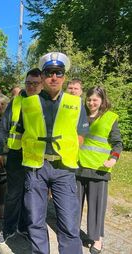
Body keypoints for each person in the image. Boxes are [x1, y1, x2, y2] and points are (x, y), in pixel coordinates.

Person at [19, 52, 89, 254]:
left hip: (63, 169)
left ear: (64, 76)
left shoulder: (75, 103)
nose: (54, 77)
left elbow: (80, 136)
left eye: (59, 72)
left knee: (68, 222)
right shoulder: (28, 102)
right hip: (35, 168)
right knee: (35, 220)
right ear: (42, 76)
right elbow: (23, 132)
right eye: (49, 72)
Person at [0, 68, 43, 244]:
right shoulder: (15, 101)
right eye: (28, 82)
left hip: (37, 155)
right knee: (13, 194)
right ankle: (8, 229)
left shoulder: (44, 101)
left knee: (31, 195)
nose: (31, 86)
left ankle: (24, 227)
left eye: (35, 83)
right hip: (16, 154)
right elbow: (4, 128)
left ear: (41, 83)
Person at [76, 86, 122, 254]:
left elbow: (117, 143)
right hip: (79, 166)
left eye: (95, 100)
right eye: (89, 99)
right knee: (75, 205)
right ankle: (73, 234)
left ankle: (97, 239)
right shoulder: (80, 116)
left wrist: (113, 158)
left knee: (96, 207)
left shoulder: (110, 118)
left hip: (99, 169)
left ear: (102, 100)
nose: (91, 102)